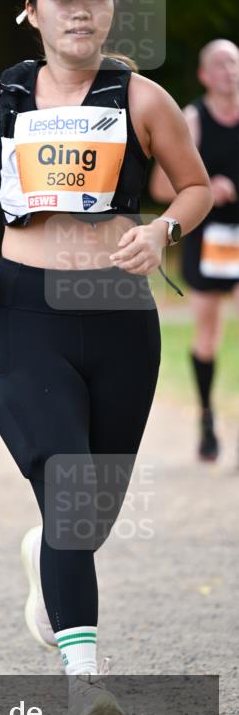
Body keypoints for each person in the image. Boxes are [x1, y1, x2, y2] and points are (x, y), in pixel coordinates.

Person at [0, 0, 213, 715]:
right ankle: (81, 681)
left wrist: (162, 229)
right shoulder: (2, 98)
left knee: (86, 517)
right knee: (67, 488)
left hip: (120, 313)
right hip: (28, 312)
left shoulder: (142, 98)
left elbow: (195, 187)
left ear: (109, 9)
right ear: (31, 11)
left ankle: (47, 560)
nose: (80, 10)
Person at [150, 40, 239, 462]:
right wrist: (211, 188)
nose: (230, 71)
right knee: (208, 331)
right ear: (205, 75)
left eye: (235, 63)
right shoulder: (192, 119)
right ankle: (206, 417)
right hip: (208, 238)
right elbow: (160, 187)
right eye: (221, 65)